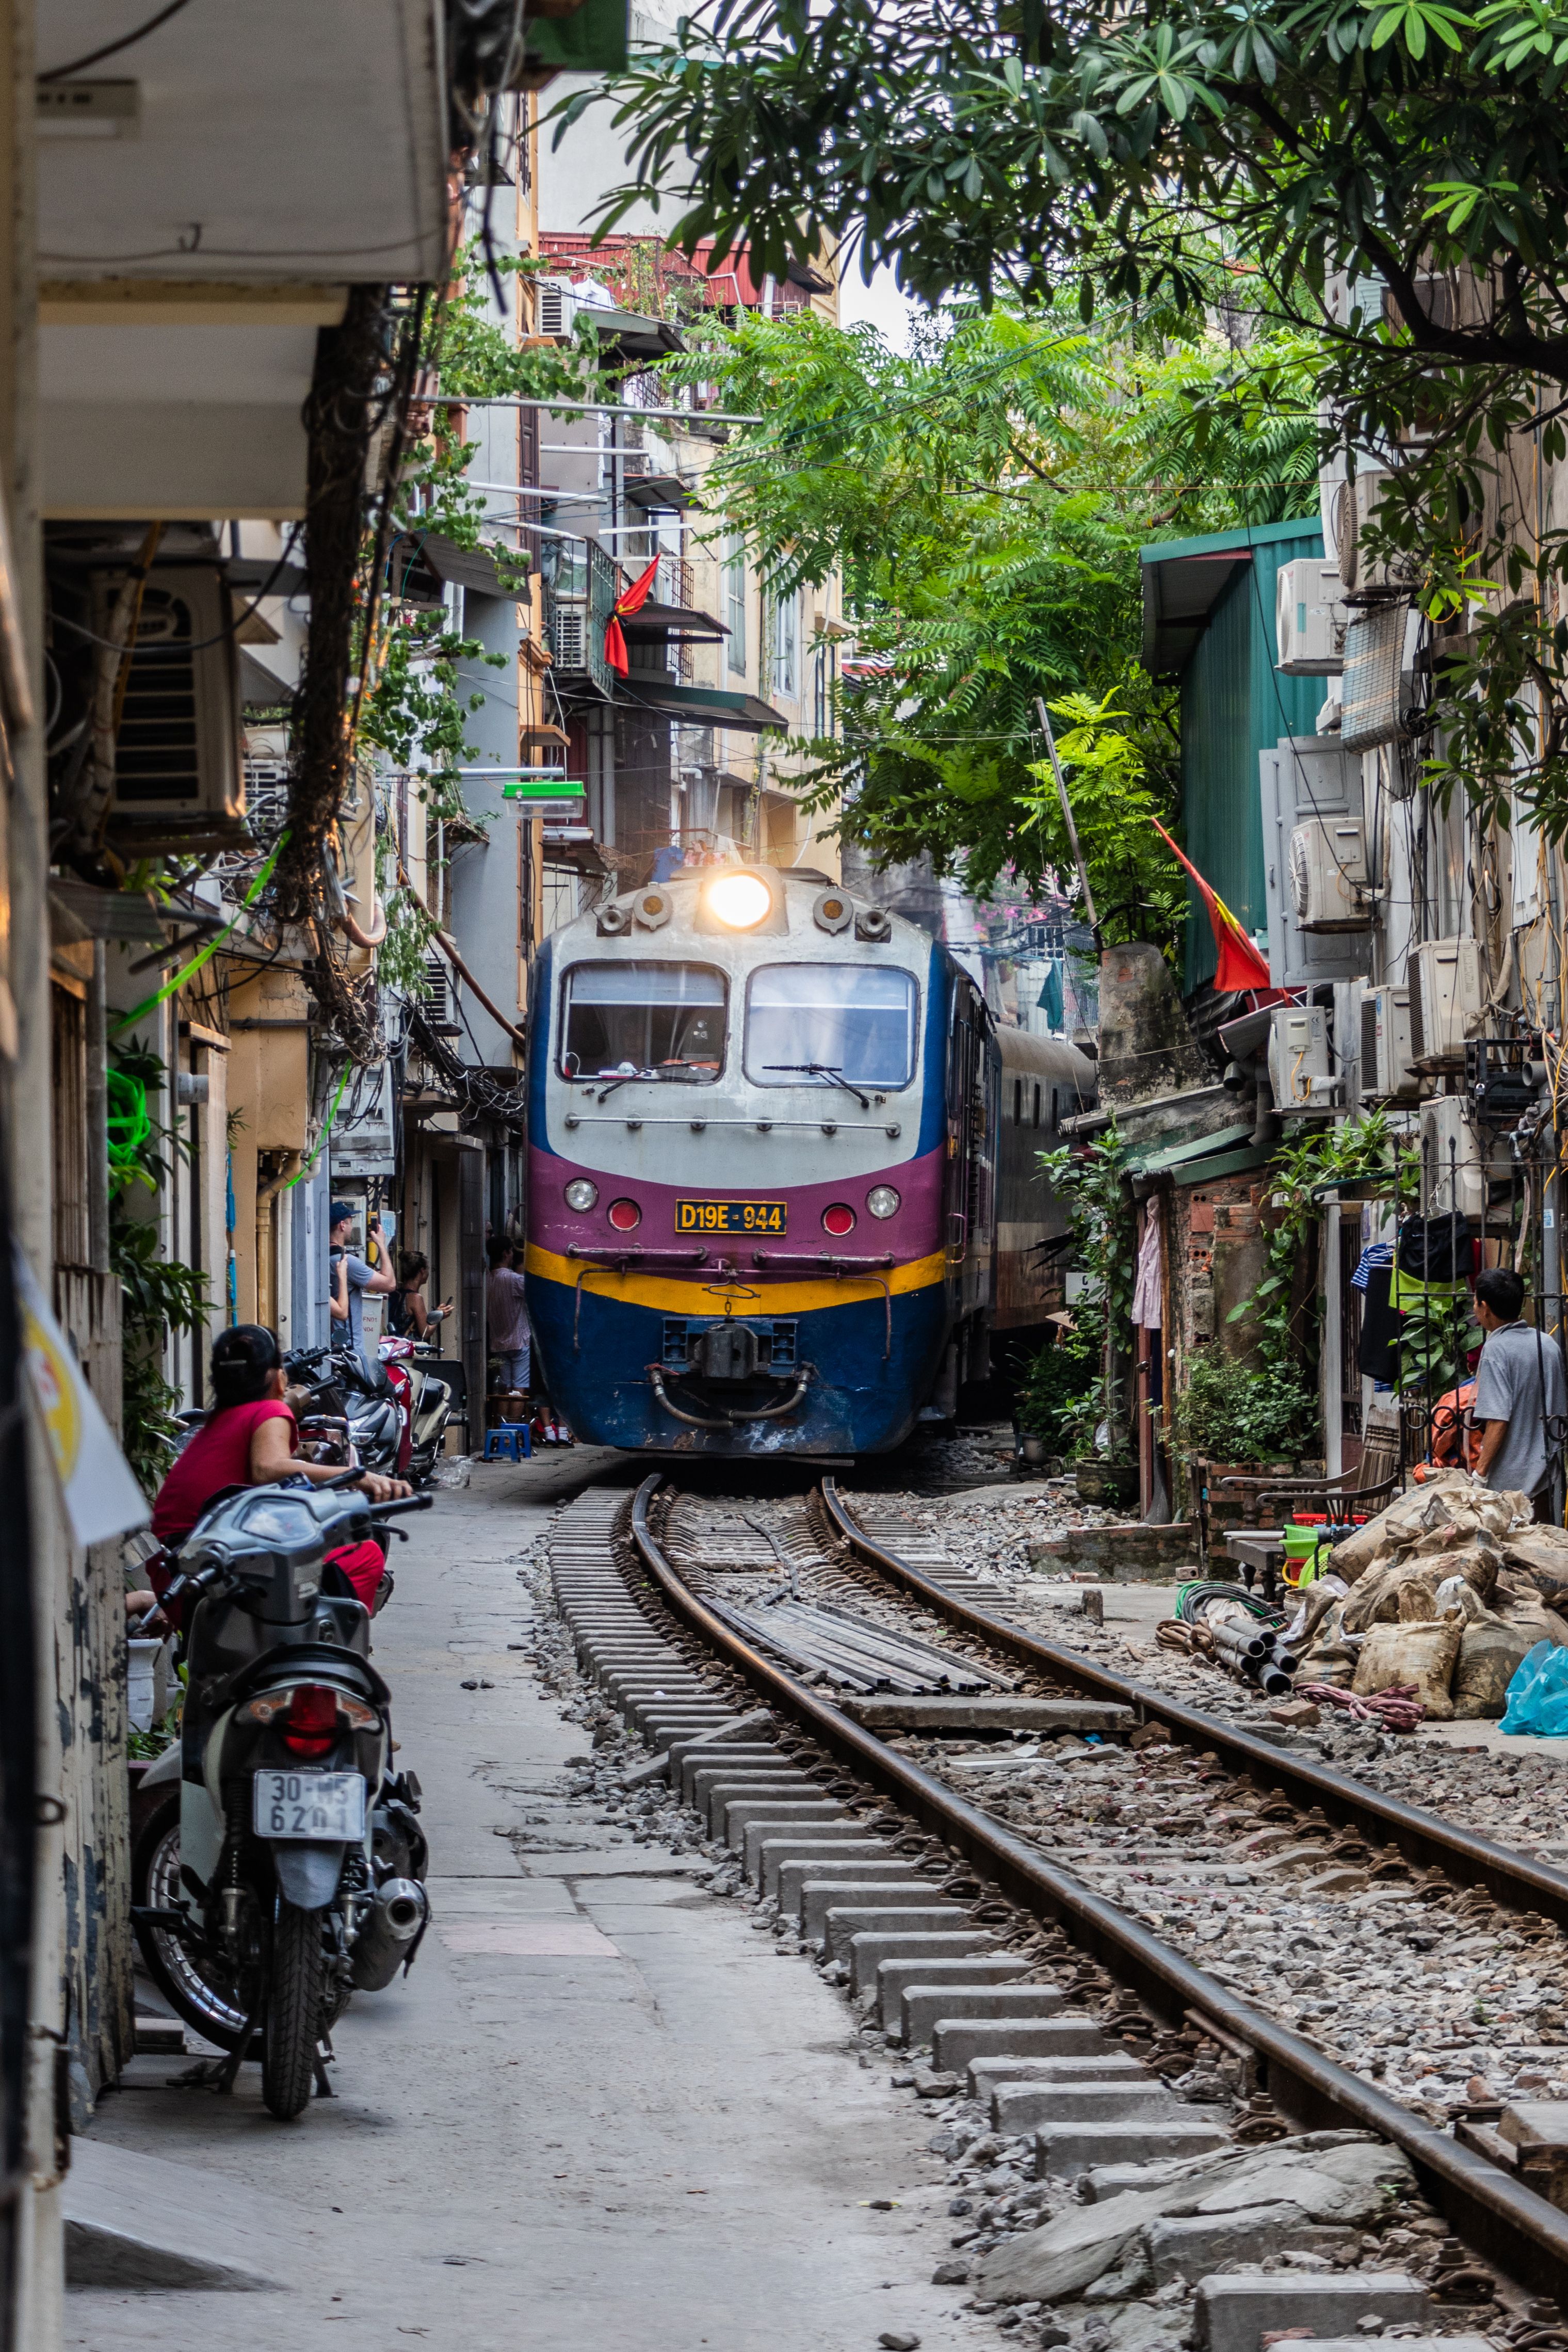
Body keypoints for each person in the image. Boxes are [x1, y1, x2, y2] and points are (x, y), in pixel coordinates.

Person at [151, 1324, 411, 1609]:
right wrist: (357, 1477)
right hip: (212, 1568)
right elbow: (268, 1468)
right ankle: (325, 1648)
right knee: (365, 1554)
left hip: (175, 1574)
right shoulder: (271, 1410)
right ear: (277, 1378)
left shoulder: (218, 1420)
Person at [1473, 1266, 1568, 1520]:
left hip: (1508, 1487)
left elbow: (1497, 1420)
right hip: (1546, 1478)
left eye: (1475, 1301)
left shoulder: (1496, 1350)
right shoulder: (1546, 1344)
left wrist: (1479, 1473)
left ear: (1485, 1307)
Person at [329, 1201, 397, 1358]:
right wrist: (381, 1244)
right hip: (350, 1349)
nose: (353, 1227)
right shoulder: (346, 1262)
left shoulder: (324, 1259)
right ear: (342, 1225)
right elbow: (390, 1283)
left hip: (333, 1347)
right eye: (351, 1222)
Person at [486, 1234, 531, 1392]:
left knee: (505, 1387)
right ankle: (514, 1419)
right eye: (511, 1252)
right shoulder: (514, 1280)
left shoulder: (488, 1279)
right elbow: (536, 1293)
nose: (513, 1255)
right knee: (519, 1387)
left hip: (498, 1343)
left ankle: (502, 1418)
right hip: (519, 1341)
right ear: (506, 1253)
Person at [389, 1250, 452, 1343]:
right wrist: (440, 1316)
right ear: (422, 1271)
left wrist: (437, 1313)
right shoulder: (415, 1298)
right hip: (407, 1349)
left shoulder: (396, 1294)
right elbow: (425, 1332)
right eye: (428, 1269)